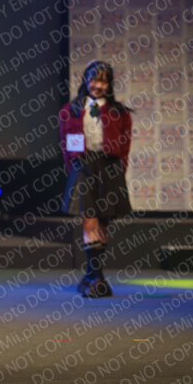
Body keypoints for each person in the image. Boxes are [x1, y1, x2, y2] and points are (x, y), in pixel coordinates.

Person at [59, 60, 132, 298]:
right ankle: (96, 275)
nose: (97, 85)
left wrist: (118, 170)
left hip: (109, 166)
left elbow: (125, 145)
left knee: (103, 221)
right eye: (94, 80)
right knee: (88, 220)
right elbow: (66, 144)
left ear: (109, 84)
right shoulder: (71, 110)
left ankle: (93, 274)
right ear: (86, 80)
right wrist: (75, 169)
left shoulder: (119, 112)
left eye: (103, 81)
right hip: (83, 165)